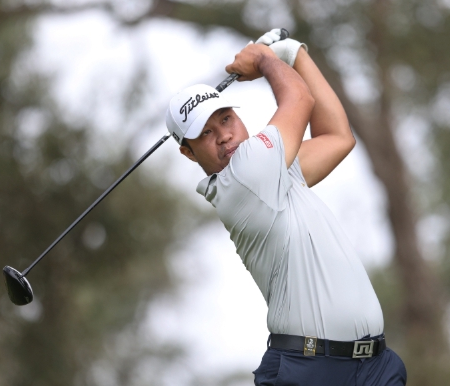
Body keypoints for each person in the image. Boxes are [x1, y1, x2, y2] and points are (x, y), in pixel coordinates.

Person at [165, 29, 407, 386]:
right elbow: (299, 98)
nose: (224, 135)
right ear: (188, 152)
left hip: (374, 366)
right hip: (309, 370)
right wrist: (266, 59)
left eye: (226, 119)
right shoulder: (243, 176)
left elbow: (337, 137)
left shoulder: (273, 170)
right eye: (205, 133)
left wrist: (294, 54)